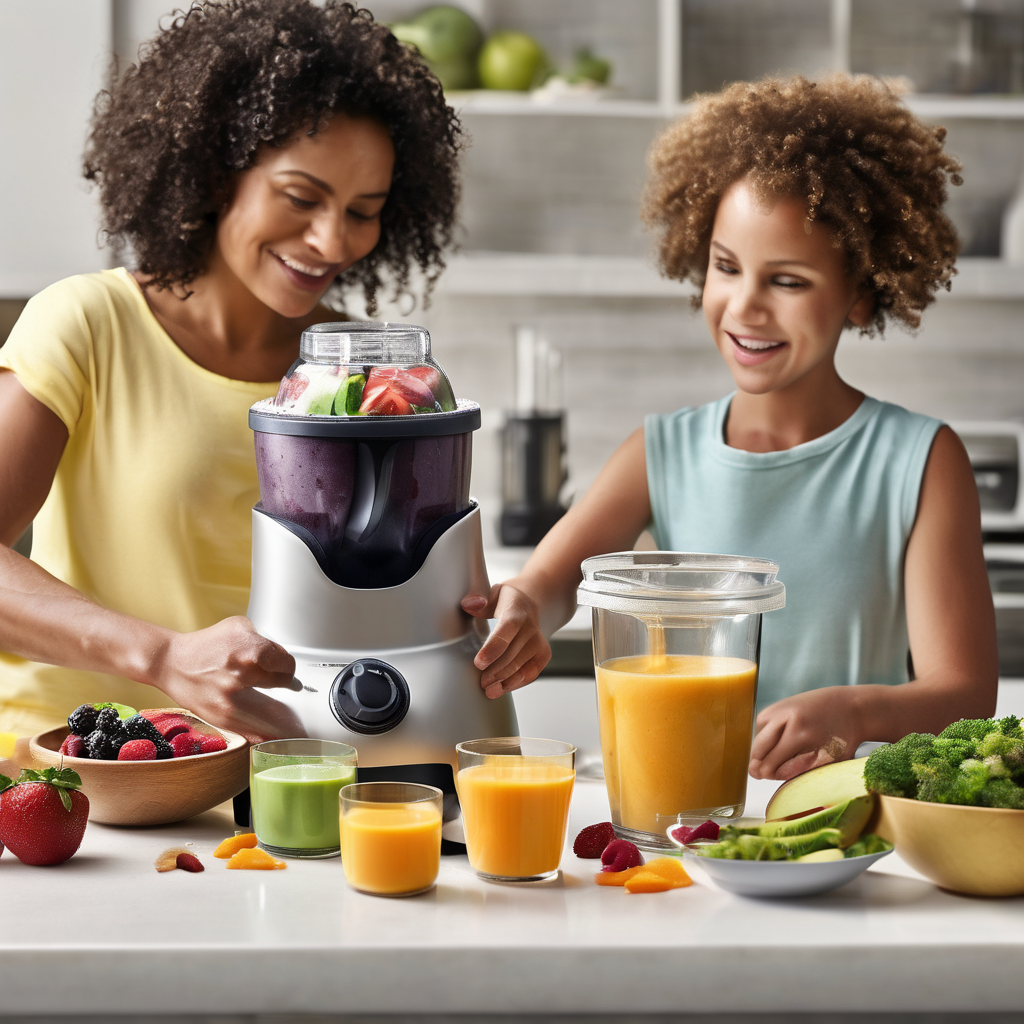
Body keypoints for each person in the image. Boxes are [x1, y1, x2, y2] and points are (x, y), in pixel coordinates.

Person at [463, 74, 999, 781]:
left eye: (788, 281)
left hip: (841, 817)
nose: (744, 306)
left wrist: (857, 711)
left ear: (861, 295)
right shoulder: (662, 451)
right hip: (687, 810)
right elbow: (552, 581)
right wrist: (525, 609)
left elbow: (966, 695)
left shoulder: (919, 460)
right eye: (726, 267)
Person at [0, 0, 462, 741]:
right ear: (217, 173)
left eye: (363, 210)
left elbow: (386, 597)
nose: (331, 241)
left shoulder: (367, 377)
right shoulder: (88, 323)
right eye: (301, 197)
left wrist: (477, 611)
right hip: (80, 776)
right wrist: (163, 657)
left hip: (283, 778)